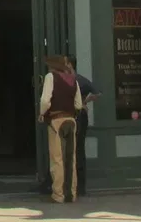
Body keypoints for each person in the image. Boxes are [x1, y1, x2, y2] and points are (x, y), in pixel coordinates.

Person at [38, 55, 82, 204]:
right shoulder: (73, 79)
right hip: (71, 120)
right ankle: (72, 193)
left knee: (57, 159)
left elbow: (45, 100)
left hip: (56, 121)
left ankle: (59, 194)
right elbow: (78, 104)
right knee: (71, 158)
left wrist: (42, 113)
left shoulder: (51, 77)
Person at [66, 55, 99, 195]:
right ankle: (76, 186)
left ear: (69, 64)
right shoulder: (73, 80)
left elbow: (98, 92)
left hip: (77, 116)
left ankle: (78, 186)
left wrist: (84, 102)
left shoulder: (78, 80)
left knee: (77, 149)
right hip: (73, 116)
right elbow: (97, 93)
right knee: (75, 150)